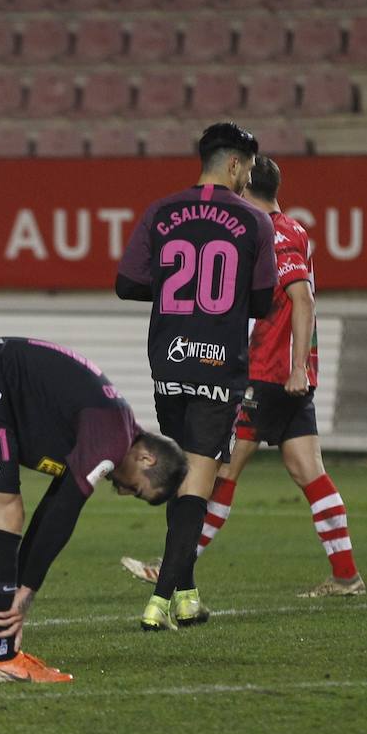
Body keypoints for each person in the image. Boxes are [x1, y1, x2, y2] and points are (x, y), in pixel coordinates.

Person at [122, 155, 366, 597]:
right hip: (291, 373)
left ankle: (173, 568)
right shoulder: (295, 228)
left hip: (266, 371)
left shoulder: (266, 231)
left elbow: (302, 298)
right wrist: (301, 368)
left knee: (219, 470)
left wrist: (291, 367)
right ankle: (346, 575)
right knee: (307, 468)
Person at [0, 337, 187, 682]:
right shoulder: (110, 437)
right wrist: (26, 590)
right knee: (4, 513)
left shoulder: (112, 425)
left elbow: (53, 504)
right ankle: (1, 657)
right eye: (135, 488)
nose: (122, 492)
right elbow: (64, 510)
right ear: (146, 458)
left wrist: (21, 584)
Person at [115, 122, 276, 632]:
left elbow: (126, 283)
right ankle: (160, 600)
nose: (250, 177)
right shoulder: (253, 221)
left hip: (169, 357)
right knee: (198, 480)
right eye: (249, 167)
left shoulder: (162, 211)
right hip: (217, 361)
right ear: (234, 164)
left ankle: (186, 596)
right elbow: (262, 300)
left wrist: (172, 294)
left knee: (182, 469)